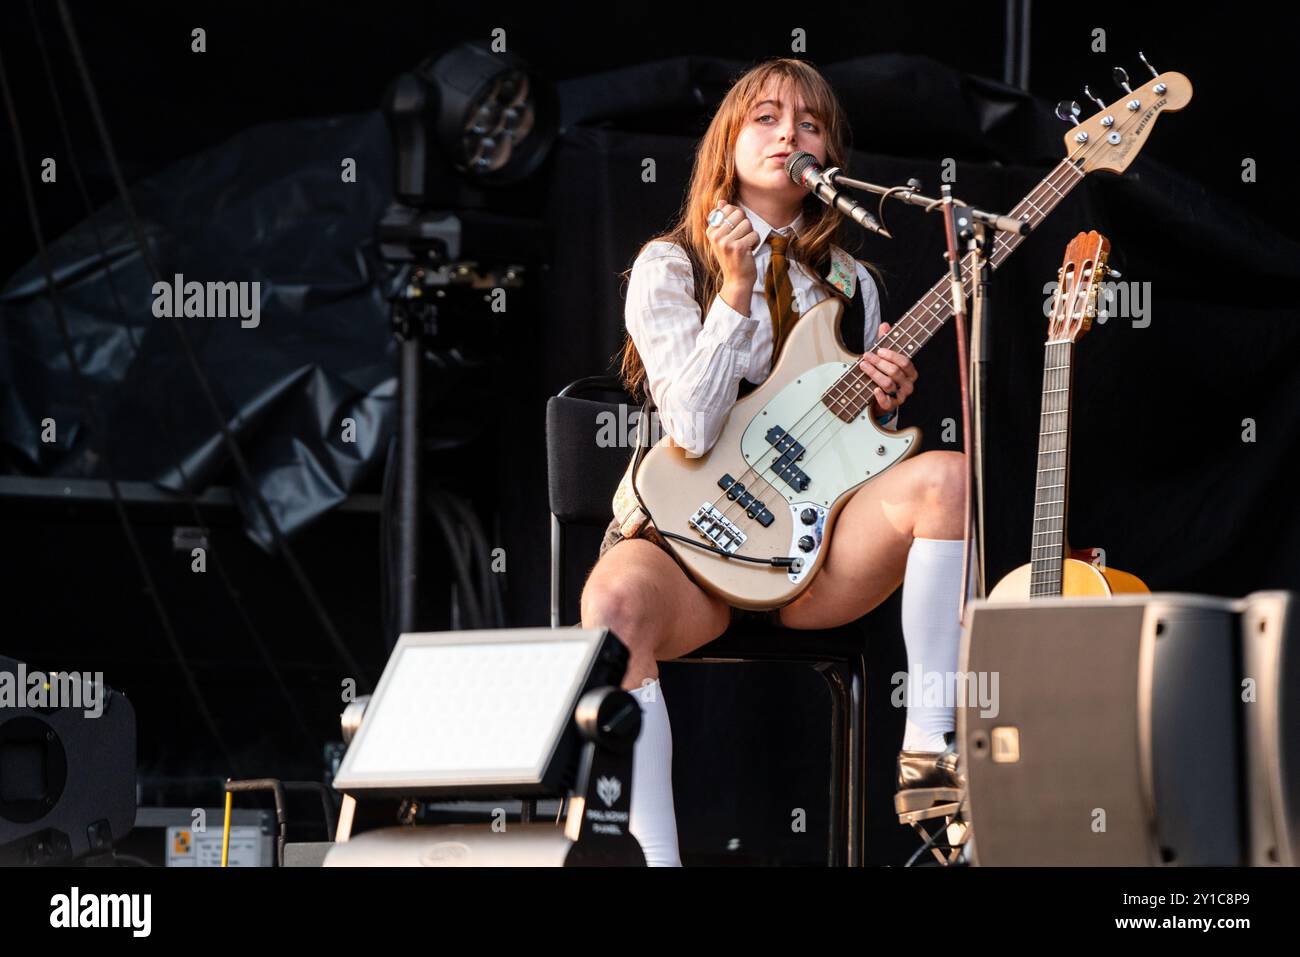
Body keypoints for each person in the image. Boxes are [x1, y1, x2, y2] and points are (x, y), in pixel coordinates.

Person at [581, 57, 971, 866]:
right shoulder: (671, 264)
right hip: (691, 550)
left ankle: (931, 749)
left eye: (810, 123)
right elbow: (688, 426)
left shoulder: (852, 282)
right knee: (613, 606)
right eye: (765, 117)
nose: (788, 133)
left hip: (811, 549)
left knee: (948, 478)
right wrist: (733, 287)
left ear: (828, 156)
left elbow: (848, 442)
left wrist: (883, 404)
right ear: (728, 139)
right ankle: (656, 859)